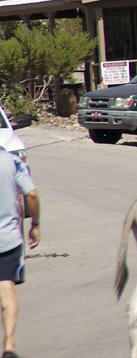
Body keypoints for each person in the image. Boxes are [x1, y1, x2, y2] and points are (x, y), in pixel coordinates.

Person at [0, 149, 39, 358]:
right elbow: (31, 194)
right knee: (6, 288)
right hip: (7, 239)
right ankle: (9, 344)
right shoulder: (12, 162)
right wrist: (36, 223)